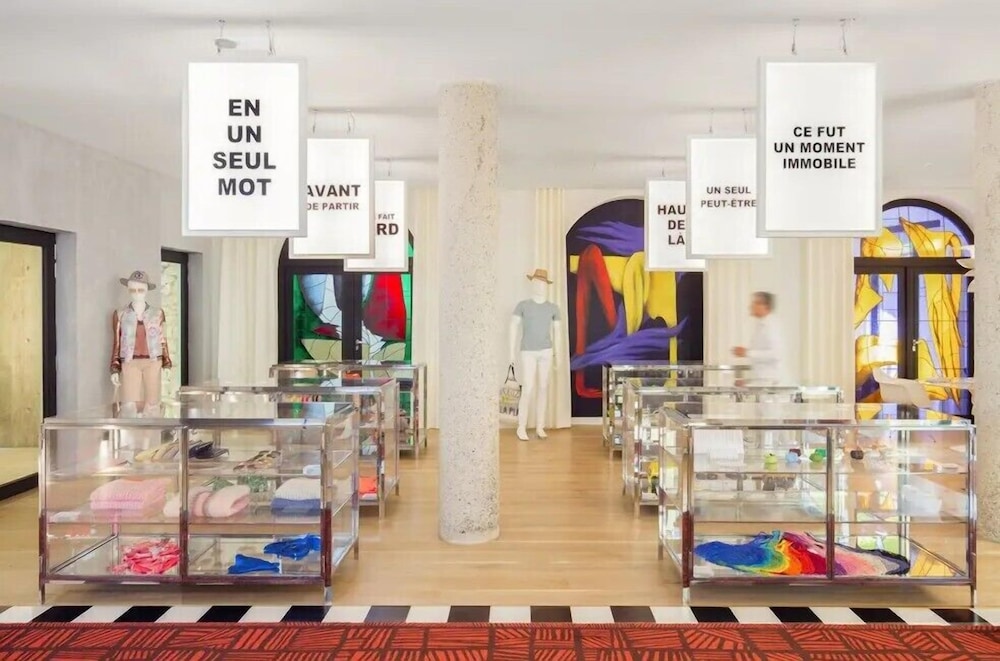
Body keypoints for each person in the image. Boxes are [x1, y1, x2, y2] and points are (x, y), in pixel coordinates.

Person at [732, 291, 784, 385]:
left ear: (765, 306)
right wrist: (748, 381)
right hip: (762, 380)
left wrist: (747, 353)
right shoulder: (761, 325)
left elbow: (776, 354)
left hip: (769, 382)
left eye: (755, 303)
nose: (751, 306)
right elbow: (760, 363)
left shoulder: (771, 326)